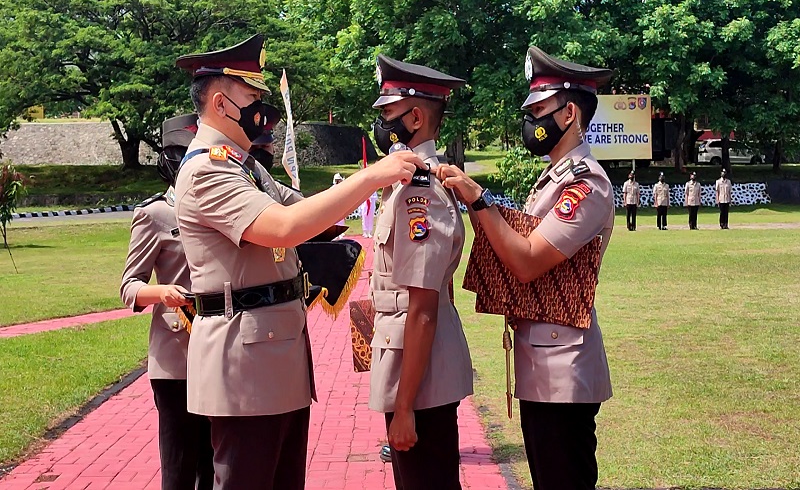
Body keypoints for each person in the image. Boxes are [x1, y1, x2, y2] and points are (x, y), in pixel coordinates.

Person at [172, 34, 424, 490]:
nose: (259, 109)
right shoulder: (207, 168)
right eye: (252, 96)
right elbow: (284, 227)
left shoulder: (244, 164)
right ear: (222, 102)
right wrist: (372, 177)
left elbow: (308, 213)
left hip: (273, 353)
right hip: (243, 364)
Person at [436, 45, 614, 490]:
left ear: (570, 113)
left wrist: (478, 200)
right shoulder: (554, 177)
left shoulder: (586, 184)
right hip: (544, 361)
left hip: (563, 370)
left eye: (539, 110)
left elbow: (529, 259)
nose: (531, 122)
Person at [369, 54, 473, 490]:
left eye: (388, 114)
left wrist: (405, 404)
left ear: (415, 117)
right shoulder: (407, 181)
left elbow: (424, 307)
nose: (381, 124)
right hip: (413, 360)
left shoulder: (420, 192)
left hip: (419, 372)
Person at [120, 113, 214, 490]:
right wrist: (162, 293)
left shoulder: (219, 206)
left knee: (215, 464)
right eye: (183, 153)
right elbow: (129, 286)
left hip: (218, 353)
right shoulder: (155, 213)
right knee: (179, 464)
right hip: (176, 359)